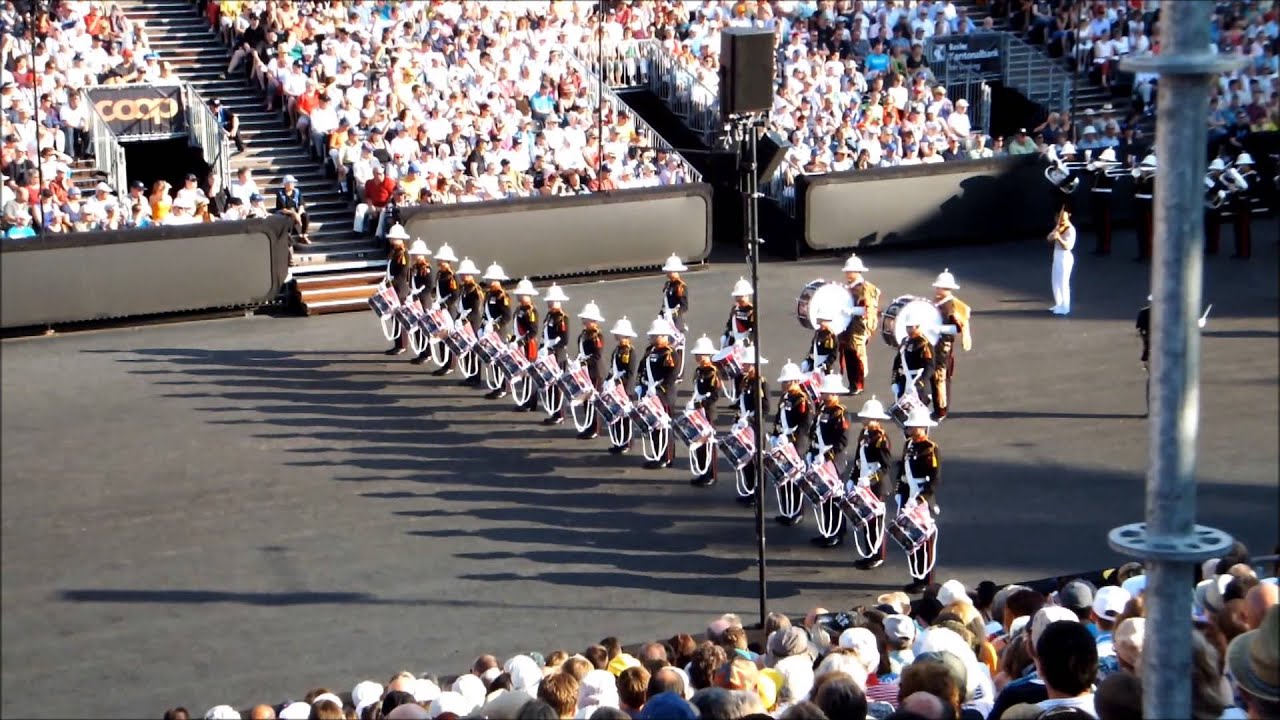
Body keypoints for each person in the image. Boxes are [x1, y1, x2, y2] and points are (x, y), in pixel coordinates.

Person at [897, 406, 941, 593]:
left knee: (924, 540)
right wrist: (900, 491)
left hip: (921, 497)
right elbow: (901, 471)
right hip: (909, 495)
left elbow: (934, 478)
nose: (909, 429)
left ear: (922, 427)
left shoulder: (930, 449)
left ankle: (926, 579)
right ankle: (916, 576)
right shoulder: (909, 445)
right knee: (911, 538)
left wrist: (922, 498)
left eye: (913, 426)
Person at [808, 374, 851, 548]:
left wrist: (827, 456)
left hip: (832, 462)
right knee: (824, 498)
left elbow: (842, 441)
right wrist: (812, 452)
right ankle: (828, 529)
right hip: (820, 457)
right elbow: (814, 431)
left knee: (833, 498)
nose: (822, 394)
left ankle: (836, 532)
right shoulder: (822, 409)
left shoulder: (840, 412)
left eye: (825, 392)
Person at [851, 396, 895, 569]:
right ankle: (869, 552)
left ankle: (878, 555)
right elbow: (858, 459)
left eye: (866, 417)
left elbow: (885, 466)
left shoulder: (881, 438)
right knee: (866, 520)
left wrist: (869, 480)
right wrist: (853, 479)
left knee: (875, 522)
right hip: (864, 483)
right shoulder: (865, 434)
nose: (863, 419)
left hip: (876, 486)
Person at [772, 360, 811, 526]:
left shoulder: (801, 400)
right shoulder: (785, 397)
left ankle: (797, 511)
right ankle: (786, 510)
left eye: (786, 382)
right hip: (783, 442)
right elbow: (778, 418)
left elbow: (805, 424)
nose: (783, 385)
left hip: (795, 445)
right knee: (783, 477)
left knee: (795, 480)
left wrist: (790, 439)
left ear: (795, 382)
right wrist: (775, 435)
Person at [931, 269, 972, 421]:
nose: (937, 289)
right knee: (935, 377)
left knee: (940, 377)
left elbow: (958, 328)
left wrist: (938, 328)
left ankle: (941, 409)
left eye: (940, 287)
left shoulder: (952, 306)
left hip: (943, 345)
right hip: (935, 343)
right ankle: (938, 407)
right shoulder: (936, 302)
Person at [639, 318, 679, 469]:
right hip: (650, 393)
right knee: (654, 427)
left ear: (664, 336)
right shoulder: (650, 351)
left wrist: (658, 392)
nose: (653, 338)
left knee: (664, 427)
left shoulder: (670, 354)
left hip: (663, 396)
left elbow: (670, 377)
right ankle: (658, 454)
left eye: (656, 335)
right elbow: (642, 369)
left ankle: (666, 457)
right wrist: (640, 385)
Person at [840, 254, 880, 395]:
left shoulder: (866, 288)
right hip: (846, 327)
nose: (846, 273)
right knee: (848, 355)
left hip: (858, 327)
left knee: (857, 356)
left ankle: (858, 384)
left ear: (857, 272)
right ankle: (852, 383)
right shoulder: (847, 287)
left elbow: (868, 309)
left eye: (849, 271)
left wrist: (850, 311)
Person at [733, 348, 769, 505]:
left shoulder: (760, 383)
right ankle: (749, 490)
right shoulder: (745, 380)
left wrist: (751, 418)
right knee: (746, 460)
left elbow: (765, 407)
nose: (743, 365)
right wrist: (739, 420)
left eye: (746, 363)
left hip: (755, 427)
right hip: (745, 425)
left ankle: (758, 494)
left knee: (756, 462)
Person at [687, 336, 721, 487]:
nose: (696, 356)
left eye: (699, 354)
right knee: (699, 442)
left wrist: (702, 403)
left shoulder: (712, 372)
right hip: (698, 410)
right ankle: (702, 471)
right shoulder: (699, 370)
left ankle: (711, 474)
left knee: (708, 443)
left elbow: (715, 395)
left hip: (707, 411)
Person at [575, 301, 607, 439]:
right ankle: (588, 425)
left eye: (587, 319)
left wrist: (583, 362)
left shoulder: (596, 336)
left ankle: (595, 428)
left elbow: (597, 356)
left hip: (595, 372)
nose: (584, 321)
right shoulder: (584, 334)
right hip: (585, 372)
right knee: (586, 400)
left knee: (594, 401)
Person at [606, 317, 638, 455]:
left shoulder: (630, 351)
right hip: (615, 386)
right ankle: (618, 441)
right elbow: (613, 368)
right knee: (616, 416)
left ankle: (627, 442)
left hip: (625, 389)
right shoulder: (618, 350)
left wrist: (619, 383)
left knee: (625, 418)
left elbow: (630, 372)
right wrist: (609, 380)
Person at [481, 263, 513, 400]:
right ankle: (497, 385)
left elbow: (506, 316)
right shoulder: (489, 295)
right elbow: (485, 312)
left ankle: (504, 387)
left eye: (491, 280)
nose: (489, 282)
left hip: (498, 333)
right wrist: (483, 326)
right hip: (489, 331)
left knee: (501, 361)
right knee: (493, 360)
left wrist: (494, 326)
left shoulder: (502, 296)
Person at [427, 244, 461, 373]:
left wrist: (443, 305)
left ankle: (450, 364)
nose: (439, 262)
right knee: (441, 335)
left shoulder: (452, 276)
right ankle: (445, 363)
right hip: (440, 307)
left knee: (449, 337)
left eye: (441, 260)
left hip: (448, 309)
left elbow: (455, 295)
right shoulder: (440, 274)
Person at [540, 284, 571, 424]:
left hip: (557, 356)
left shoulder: (562, 318)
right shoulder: (550, 316)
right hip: (548, 355)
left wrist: (551, 349)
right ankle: (554, 412)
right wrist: (542, 348)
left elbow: (564, 340)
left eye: (551, 301)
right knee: (550, 386)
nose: (548, 302)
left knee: (557, 387)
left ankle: (560, 414)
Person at [892, 320, 935, 411]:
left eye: (911, 327)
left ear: (918, 327)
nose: (909, 330)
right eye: (907, 327)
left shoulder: (924, 343)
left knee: (918, 414)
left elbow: (930, 366)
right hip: (904, 382)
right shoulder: (904, 341)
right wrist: (894, 381)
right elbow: (897, 362)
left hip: (918, 382)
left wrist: (920, 383)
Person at [454, 257, 485, 385]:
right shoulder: (464, 288)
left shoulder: (474, 289)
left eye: (463, 274)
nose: (461, 276)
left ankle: (476, 376)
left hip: (472, 323)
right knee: (466, 349)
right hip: (464, 321)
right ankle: (470, 374)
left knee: (473, 351)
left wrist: (465, 320)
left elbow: (475, 310)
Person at [383, 231, 412, 356]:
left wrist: (392, 282)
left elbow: (403, 273)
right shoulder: (395, 252)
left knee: (400, 317)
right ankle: (398, 343)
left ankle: (403, 344)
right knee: (395, 317)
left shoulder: (403, 253)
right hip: (393, 287)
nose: (390, 240)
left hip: (399, 289)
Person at [660, 254, 690, 373]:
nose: (668, 273)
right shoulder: (668, 285)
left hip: (675, 321)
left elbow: (684, 306)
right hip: (666, 318)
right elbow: (664, 303)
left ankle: (678, 372)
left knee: (676, 347)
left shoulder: (681, 286)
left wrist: (673, 313)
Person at [1088, 147, 1117, 255]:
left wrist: (1102, 166)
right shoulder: (1099, 169)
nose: (1103, 161)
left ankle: (1105, 248)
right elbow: (1086, 171)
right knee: (1098, 223)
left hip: (1105, 197)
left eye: (1105, 160)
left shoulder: (1112, 170)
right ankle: (1099, 247)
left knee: (1105, 223)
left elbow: (1109, 179)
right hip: (1096, 196)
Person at [1049, 206, 1077, 315]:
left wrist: (1059, 238)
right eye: (1057, 217)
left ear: (1068, 215)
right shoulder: (1059, 227)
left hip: (1065, 258)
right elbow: (1048, 238)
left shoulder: (1071, 229)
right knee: (1055, 281)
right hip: (1056, 256)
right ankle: (1059, 303)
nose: (1058, 219)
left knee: (1063, 283)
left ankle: (1065, 307)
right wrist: (1052, 236)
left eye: (1060, 216)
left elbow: (1067, 246)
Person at [274, 175, 309, 244]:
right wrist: (294, 214)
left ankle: (304, 235)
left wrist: (298, 214)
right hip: (285, 212)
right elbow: (282, 208)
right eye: (291, 183)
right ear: (286, 184)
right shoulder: (280, 193)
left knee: (305, 216)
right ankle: (289, 237)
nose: (293, 184)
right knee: (290, 218)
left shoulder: (297, 192)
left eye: (293, 183)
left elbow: (301, 205)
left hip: (295, 211)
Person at [722, 277, 756, 349]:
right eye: (737, 297)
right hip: (734, 342)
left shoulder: (752, 310)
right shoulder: (735, 308)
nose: (738, 300)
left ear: (746, 295)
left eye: (741, 297)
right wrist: (726, 335)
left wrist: (746, 341)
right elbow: (730, 325)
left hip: (746, 345)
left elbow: (754, 332)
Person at [1132, 154, 1155, 261]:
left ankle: (1149, 253)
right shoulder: (1141, 177)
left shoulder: (1154, 178)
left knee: (1148, 229)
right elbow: (1134, 190)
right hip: (1139, 203)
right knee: (1140, 230)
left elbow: (1148, 188)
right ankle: (1142, 253)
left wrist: (1141, 179)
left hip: (1148, 203)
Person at [1136, 295, 1150, 418]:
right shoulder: (1169, 314)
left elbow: (1140, 332)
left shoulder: (1143, 313)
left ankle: (1151, 409)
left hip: (1149, 353)